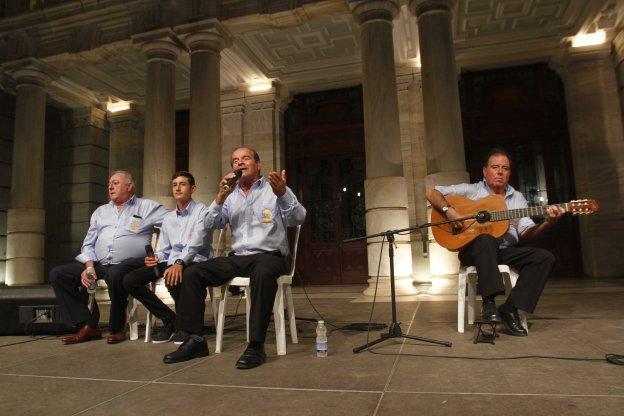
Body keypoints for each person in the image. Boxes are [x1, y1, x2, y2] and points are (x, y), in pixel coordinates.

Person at [163, 147, 306, 369]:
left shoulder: (273, 190)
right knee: (193, 272)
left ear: (258, 165)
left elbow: (298, 218)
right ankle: (196, 339)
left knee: (262, 271)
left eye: (245, 158)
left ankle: (256, 345)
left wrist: (283, 194)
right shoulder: (230, 197)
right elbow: (208, 225)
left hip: (270, 255)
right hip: (239, 257)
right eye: (235, 161)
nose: (239, 163)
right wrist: (220, 198)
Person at [426, 147, 564, 336]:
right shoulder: (471, 190)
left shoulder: (517, 198)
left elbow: (526, 232)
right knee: (486, 239)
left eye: (505, 168)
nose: (500, 172)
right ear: (485, 171)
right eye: (495, 167)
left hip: (504, 250)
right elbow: (432, 193)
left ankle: (510, 308)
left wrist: (548, 222)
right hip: (474, 251)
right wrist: (449, 210)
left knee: (544, 257)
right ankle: (489, 303)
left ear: (509, 173)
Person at [50, 171, 168, 344]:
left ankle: (116, 328)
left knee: (116, 274)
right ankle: (88, 324)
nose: (110, 186)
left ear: (129, 186)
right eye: (109, 184)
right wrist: (89, 266)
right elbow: (88, 244)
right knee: (59, 274)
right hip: (100, 263)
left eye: (115, 183)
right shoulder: (100, 212)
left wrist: (162, 252)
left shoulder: (147, 207)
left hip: (132, 263)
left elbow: (174, 224)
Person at [122, 171, 213, 344]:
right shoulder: (169, 218)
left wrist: (179, 262)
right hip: (171, 261)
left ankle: (186, 327)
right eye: (174, 185)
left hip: (196, 260)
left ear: (192, 188)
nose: (178, 188)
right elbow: (165, 249)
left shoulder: (203, 211)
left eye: (182, 184)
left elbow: (196, 244)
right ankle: (171, 319)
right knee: (130, 280)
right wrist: (155, 257)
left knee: (179, 274)